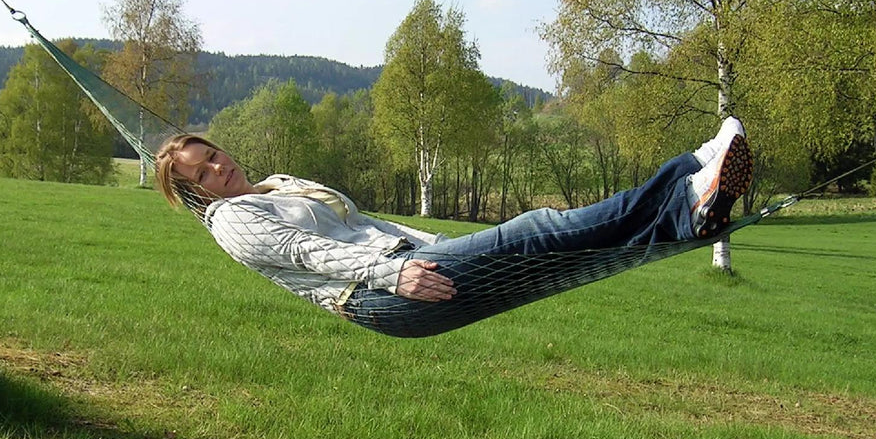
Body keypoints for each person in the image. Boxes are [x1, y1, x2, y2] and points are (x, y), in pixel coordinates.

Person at [153, 118, 753, 337]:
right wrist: (396, 275)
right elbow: (312, 254)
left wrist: (437, 245)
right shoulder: (232, 219)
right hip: (383, 294)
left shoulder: (275, 185)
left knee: (560, 251)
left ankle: (691, 199)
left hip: (410, 261)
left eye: (213, 153)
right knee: (540, 229)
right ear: (190, 189)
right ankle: (686, 187)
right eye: (200, 170)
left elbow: (364, 224)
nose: (217, 166)